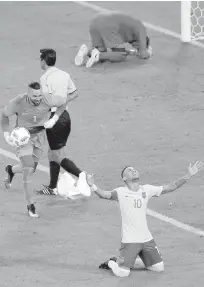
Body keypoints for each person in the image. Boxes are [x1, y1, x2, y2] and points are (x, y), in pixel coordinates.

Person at [87, 161, 203, 277]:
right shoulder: (120, 192)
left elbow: (170, 187)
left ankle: (124, 261)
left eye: (134, 169)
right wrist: (92, 186)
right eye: (129, 170)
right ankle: (112, 262)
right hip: (130, 240)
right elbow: (103, 194)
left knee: (158, 268)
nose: (133, 170)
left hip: (147, 239)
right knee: (123, 273)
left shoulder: (147, 189)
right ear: (124, 178)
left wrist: (188, 175)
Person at [1, 81, 67, 218]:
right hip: (23, 139)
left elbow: (63, 103)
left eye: (39, 95)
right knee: (29, 168)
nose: (37, 99)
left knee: (31, 167)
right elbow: (4, 114)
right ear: (28, 94)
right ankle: (30, 205)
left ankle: (10, 170)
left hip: (39, 137)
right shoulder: (19, 102)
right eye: (34, 96)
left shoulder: (48, 98)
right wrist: (6, 134)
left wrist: (54, 119)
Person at [36, 48, 91, 196]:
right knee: (53, 153)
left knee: (57, 156)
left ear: (43, 61)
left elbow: (46, 102)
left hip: (54, 119)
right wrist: (63, 103)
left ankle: (81, 175)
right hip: (65, 117)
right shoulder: (64, 74)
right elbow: (74, 93)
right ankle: (53, 187)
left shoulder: (44, 79)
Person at [74, 11, 152, 68]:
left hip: (95, 22)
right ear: (143, 42)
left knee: (101, 50)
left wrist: (130, 52)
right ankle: (98, 56)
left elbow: (116, 49)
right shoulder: (141, 29)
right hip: (109, 24)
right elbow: (143, 54)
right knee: (121, 55)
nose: (135, 48)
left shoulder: (130, 32)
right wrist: (148, 52)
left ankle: (86, 51)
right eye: (138, 47)